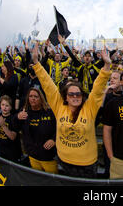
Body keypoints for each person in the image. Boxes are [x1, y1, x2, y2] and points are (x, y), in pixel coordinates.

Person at [32, 39, 112, 178]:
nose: (75, 96)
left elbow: (98, 88)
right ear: (66, 97)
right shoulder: (59, 106)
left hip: (87, 165)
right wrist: (36, 63)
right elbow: (48, 85)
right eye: (71, 94)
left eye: (78, 94)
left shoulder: (90, 107)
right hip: (64, 162)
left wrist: (107, 65)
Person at [13, 87, 58, 174]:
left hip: (48, 157)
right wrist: (17, 117)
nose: (33, 99)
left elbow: (59, 128)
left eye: (36, 96)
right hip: (33, 156)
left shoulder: (49, 112)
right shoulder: (24, 112)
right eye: (30, 96)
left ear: (41, 98)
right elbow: (15, 127)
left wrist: (54, 139)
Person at [0, 95, 22, 163]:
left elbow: (12, 137)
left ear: (11, 107)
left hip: (13, 151)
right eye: (3, 105)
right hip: (2, 149)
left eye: (7, 105)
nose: (4, 107)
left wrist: (3, 126)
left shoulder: (13, 119)